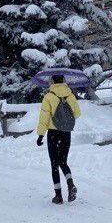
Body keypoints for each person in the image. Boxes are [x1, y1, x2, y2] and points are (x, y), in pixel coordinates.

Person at [35, 74, 81, 204]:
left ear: (52, 81)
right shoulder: (70, 95)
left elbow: (44, 118)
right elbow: (77, 114)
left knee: (54, 164)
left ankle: (58, 196)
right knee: (63, 162)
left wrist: (40, 135)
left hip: (54, 134)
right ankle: (70, 184)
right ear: (63, 81)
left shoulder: (48, 96)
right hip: (66, 133)